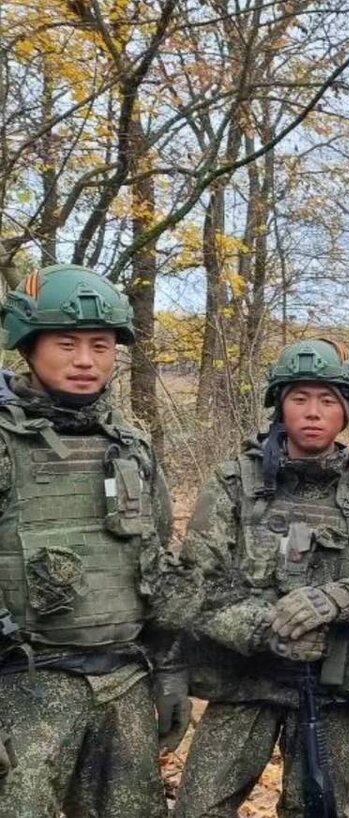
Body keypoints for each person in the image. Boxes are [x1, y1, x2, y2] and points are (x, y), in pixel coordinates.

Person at [173, 338, 349, 818]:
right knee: (200, 807)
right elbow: (196, 584)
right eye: (300, 398)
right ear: (279, 405)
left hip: (328, 690)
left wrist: (335, 600)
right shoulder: (234, 484)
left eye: (328, 401)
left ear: (347, 412)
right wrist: (267, 629)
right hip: (243, 684)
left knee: (320, 810)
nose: (313, 413)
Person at [0, 264, 193, 818]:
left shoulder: (130, 445)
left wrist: (172, 670)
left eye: (101, 346)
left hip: (123, 681)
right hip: (25, 685)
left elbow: (157, 564)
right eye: (67, 344)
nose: (85, 360)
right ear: (28, 346)